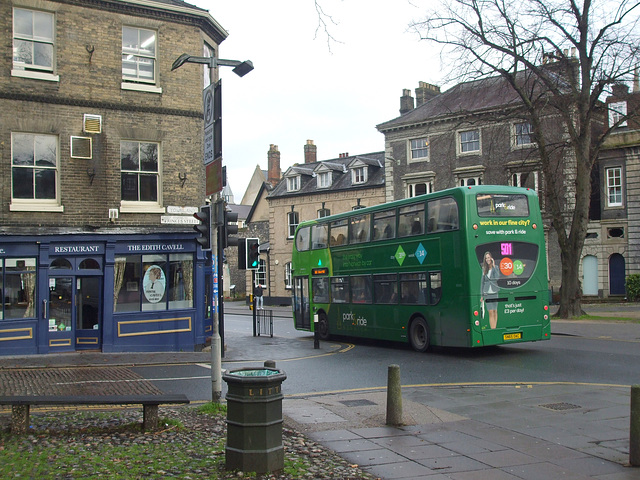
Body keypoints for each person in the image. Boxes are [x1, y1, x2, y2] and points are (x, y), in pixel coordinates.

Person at [480, 251, 500, 329]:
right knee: (490, 312)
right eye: (486, 258)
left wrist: (494, 266)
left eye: (488, 257)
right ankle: (493, 329)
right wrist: (481, 295)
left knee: (495, 311)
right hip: (487, 293)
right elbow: (482, 282)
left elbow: (497, 277)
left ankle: (495, 327)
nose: (487, 259)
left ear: (491, 258)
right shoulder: (484, 269)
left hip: (495, 292)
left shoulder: (496, 268)